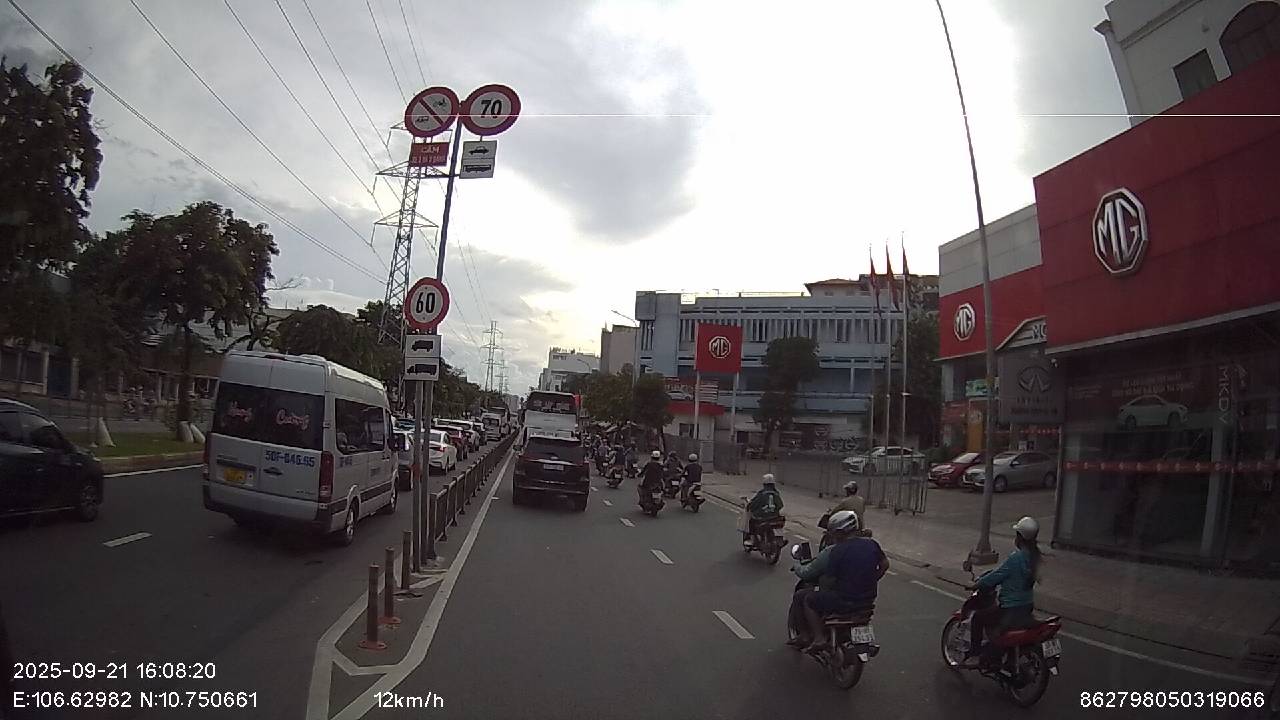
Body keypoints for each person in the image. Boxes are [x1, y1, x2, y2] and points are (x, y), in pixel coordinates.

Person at [792, 510, 889, 652]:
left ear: (840, 532)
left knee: (808, 599)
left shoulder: (837, 551)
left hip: (844, 601)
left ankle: (819, 638)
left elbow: (829, 580)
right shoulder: (872, 544)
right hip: (868, 600)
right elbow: (885, 565)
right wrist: (871, 579)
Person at [962, 516, 1042, 668]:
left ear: (1019, 537)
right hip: (1027, 606)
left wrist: (976, 585)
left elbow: (997, 576)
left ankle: (975, 655)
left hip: (1011, 608)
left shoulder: (1016, 558)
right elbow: (1003, 573)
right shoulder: (1035, 556)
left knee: (978, 618)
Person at [745, 474, 785, 543]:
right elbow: (780, 505)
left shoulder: (761, 494)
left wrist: (750, 507)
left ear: (764, 484)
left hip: (762, 517)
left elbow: (754, 504)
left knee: (751, 521)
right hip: (774, 516)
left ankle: (751, 539)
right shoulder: (776, 493)